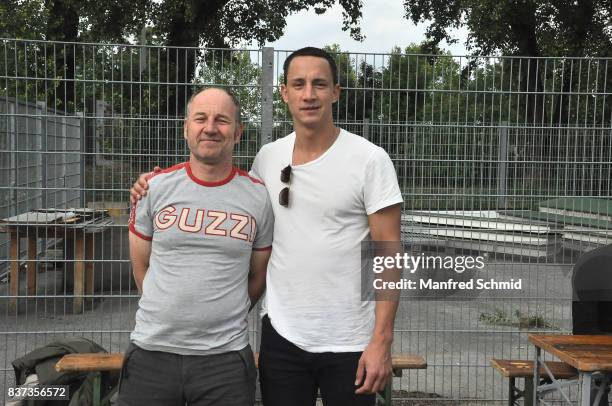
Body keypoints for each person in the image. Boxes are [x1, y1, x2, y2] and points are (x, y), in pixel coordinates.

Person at [131, 47, 403, 406]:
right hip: (282, 337)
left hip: (351, 340)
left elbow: (387, 253)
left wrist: (381, 340)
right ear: (284, 92)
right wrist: (148, 187)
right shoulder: (267, 158)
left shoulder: (369, 159)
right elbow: (226, 198)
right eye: (299, 84)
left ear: (336, 92)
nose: (309, 94)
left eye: (319, 84)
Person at [122, 87, 274, 406]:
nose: (210, 127)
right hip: (152, 353)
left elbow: (257, 277)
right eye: (200, 118)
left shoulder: (259, 197)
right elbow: (141, 270)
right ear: (186, 128)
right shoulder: (154, 188)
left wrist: (221, 316)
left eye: (222, 120)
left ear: (237, 132)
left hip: (226, 361)